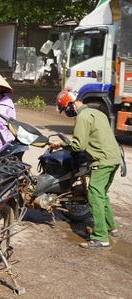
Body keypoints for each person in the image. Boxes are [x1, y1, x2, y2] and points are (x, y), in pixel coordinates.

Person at [51, 89, 121, 250]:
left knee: (94, 196)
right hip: (114, 158)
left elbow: (78, 145)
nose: (67, 112)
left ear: (71, 104)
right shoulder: (96, 112)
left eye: (66, 109)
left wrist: (60, 144)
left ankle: (100, 238)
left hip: (101, 160)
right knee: (101, 194)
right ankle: (111, 228)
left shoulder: (82, 117)